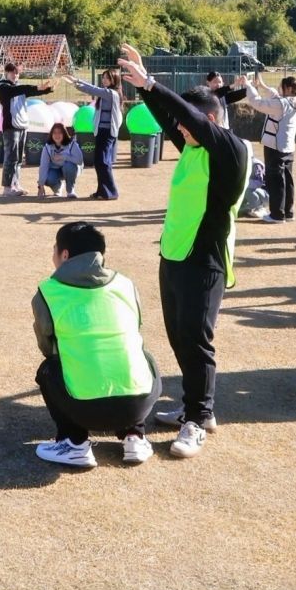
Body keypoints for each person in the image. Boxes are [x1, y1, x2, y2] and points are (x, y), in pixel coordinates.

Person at [118, 44, 252, 459]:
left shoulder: (230, 150)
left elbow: (186, 118)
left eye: (188, 123)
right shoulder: (195, 146)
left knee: (197, 340)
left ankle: (199, 417)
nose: (179, 130)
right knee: (179, 337)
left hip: (205, 260)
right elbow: (169, 118)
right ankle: (191, 407)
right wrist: (145, 88)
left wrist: (153, 83)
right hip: (174, 255)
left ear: (209, 120)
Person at [32, 222, 161, 468]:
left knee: (49, 368)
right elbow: (135, 329)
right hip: (137, 404)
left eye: (54, 249)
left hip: (84, 408)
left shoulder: (48, 292)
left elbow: (47, 348)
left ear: (65, 254)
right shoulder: (126, 284)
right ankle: (135, 436)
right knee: (141, 355)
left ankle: (74, 442)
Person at [243, 73, 296, 224]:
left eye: (281, 87)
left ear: (288, 89)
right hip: (288, 148)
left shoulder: (282, 104)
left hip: (275, 147)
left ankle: (277, 215)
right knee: (288, 181)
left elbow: (258, 103)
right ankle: (288, 212)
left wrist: (248, 86)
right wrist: (263, 86)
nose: (278, 90)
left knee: (275, 181)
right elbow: (277, 97)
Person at [0, 63, 54, 197]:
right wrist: (37, 87)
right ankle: (7, 187)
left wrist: (47, 89)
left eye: (17, 73)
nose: (15, 75)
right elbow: (20, 89)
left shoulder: (18, 87)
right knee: (11, 157)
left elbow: (30, 91)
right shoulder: (3, 87)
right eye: (12, 72)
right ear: (6, 73)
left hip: (22, 126)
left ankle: (16, 184)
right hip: (11, 127)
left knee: (18, 159)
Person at [69, 69, 123, 200]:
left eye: (107, 78)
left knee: (103, 162)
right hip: (101, 131)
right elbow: (94, 88)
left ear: (114, 80)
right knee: (100, 162)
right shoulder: (107, 92)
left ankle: (111, 192)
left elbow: (92, 90)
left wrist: (76, 84)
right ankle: (101, 191)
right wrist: (77, 81)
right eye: (103, 78)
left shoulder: (111, 93)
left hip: (107, 132)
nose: (104, 80)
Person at [37, 123, 83, 199]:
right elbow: (43, 166)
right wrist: (40, 185)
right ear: (51, 134)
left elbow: (79, 160)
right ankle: (57, 188)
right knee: (48, 178)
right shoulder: (47, 147)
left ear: (64, 134)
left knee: (69, 166)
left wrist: (64, 157)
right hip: (55, 170)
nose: (57, 135)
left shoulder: (72, 144)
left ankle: (70, 190)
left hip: (71, 169)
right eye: (54, 133)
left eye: (59, 132)